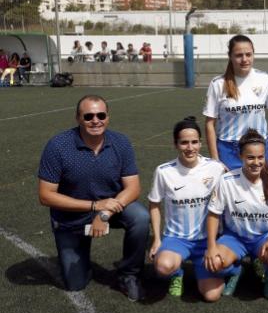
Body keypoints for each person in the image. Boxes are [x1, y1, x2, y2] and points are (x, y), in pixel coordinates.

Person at [37, 95, 150, 300]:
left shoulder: (120, 142)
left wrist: (104, 212)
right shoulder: (58, 146)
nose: (95, 120)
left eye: (100, 115)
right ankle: (79, 255)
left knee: (141, 218)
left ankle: (129, 275)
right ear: (78, 118)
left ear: (108, 117)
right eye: (88, 116)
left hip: (110, 207)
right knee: (75, 284)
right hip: (71, 216)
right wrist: (94, 206)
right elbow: (46, 196)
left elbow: (133, 188)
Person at [147, 117, 227, 301]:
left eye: (194, 142)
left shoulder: (215, 168)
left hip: (207, 241)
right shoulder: (164, 172)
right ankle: (177, 274)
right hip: (177, 239)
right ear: (176, 144)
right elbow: (154, 205)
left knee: (212, 296)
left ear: (200, 143)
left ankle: (233, 269)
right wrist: (157, 239)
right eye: (184, 142)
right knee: (163, 266)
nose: (190, 148)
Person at [204, 129, 268, 298]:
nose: (256, 162)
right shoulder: (227, 180)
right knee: (213, 263)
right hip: (235, 238)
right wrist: (211, 246)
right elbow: (213, 215)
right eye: (250, 157)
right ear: (240, 156)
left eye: (260, 157)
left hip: (263, 237)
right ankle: (236, 270)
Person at [204, 35, 268, 170]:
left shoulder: (265, 79)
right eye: (239, 55)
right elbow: (209, 123)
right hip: (229, 150)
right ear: (230, 56)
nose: (244, 59)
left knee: (257, 190)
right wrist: (215, 159)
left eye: (248, 54)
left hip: (258, 149)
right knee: (230, 190)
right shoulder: (218, 84)